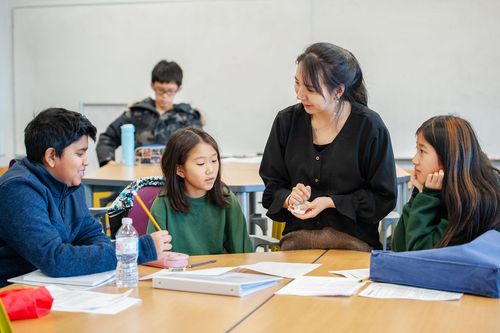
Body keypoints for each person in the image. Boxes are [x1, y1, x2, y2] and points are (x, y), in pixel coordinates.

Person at [0, 108, 172, 287]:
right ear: (51, 156)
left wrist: (108, 255)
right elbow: (54, 260)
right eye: (79, 154)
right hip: (13, 294)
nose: (86, 161)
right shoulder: (18, 189)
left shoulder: (68, 184)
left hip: (48, 287)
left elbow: (90, 235)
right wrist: (138, 249)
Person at [259, 42, 397, 251]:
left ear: (338, 91)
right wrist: (288, 198)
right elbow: (272, 188)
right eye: (297, 83)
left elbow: (383, 197)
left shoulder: (368, 126)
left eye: (311, 89)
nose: (299, 94)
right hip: (298, 242)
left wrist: (332, 202)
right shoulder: (286, 122)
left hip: (353, 243)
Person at [392, 115, 500, 251]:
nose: (414, 160)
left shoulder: (469, 204)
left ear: (447, 157)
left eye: (422, 151)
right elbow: (399, 248)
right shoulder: (437, 191)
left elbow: (420, 257)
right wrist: (418, 196)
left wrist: (426, 199)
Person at [147, 127, 253, 255]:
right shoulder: (162, 205)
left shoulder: (225, 198)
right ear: (180, 170)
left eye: (214, 161)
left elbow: (244, 254)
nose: (211, 170)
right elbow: (153, 258)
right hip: (177, 274)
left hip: (216, 273)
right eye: (201, 163)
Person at [96, 60, 204, 167]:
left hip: (175, 178)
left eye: (170, 91)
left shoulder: (188, 117)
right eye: (160, 90)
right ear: (152, 86)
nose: (165, 96)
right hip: (138, 178)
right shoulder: (136, 113)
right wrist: (109, 163)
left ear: (179, 89)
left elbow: (200, 147)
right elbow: (107, 138)